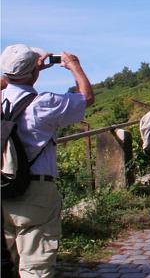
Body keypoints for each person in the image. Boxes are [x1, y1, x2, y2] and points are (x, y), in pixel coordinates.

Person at [1, 44, 94, 277]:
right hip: (36, 190)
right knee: (36, 265)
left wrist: (29, 71)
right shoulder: (43, 103)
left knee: (6, 265)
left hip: (3, 188)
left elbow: (9, 83)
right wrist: (74, 66)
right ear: (33, 71)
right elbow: (86, 98)